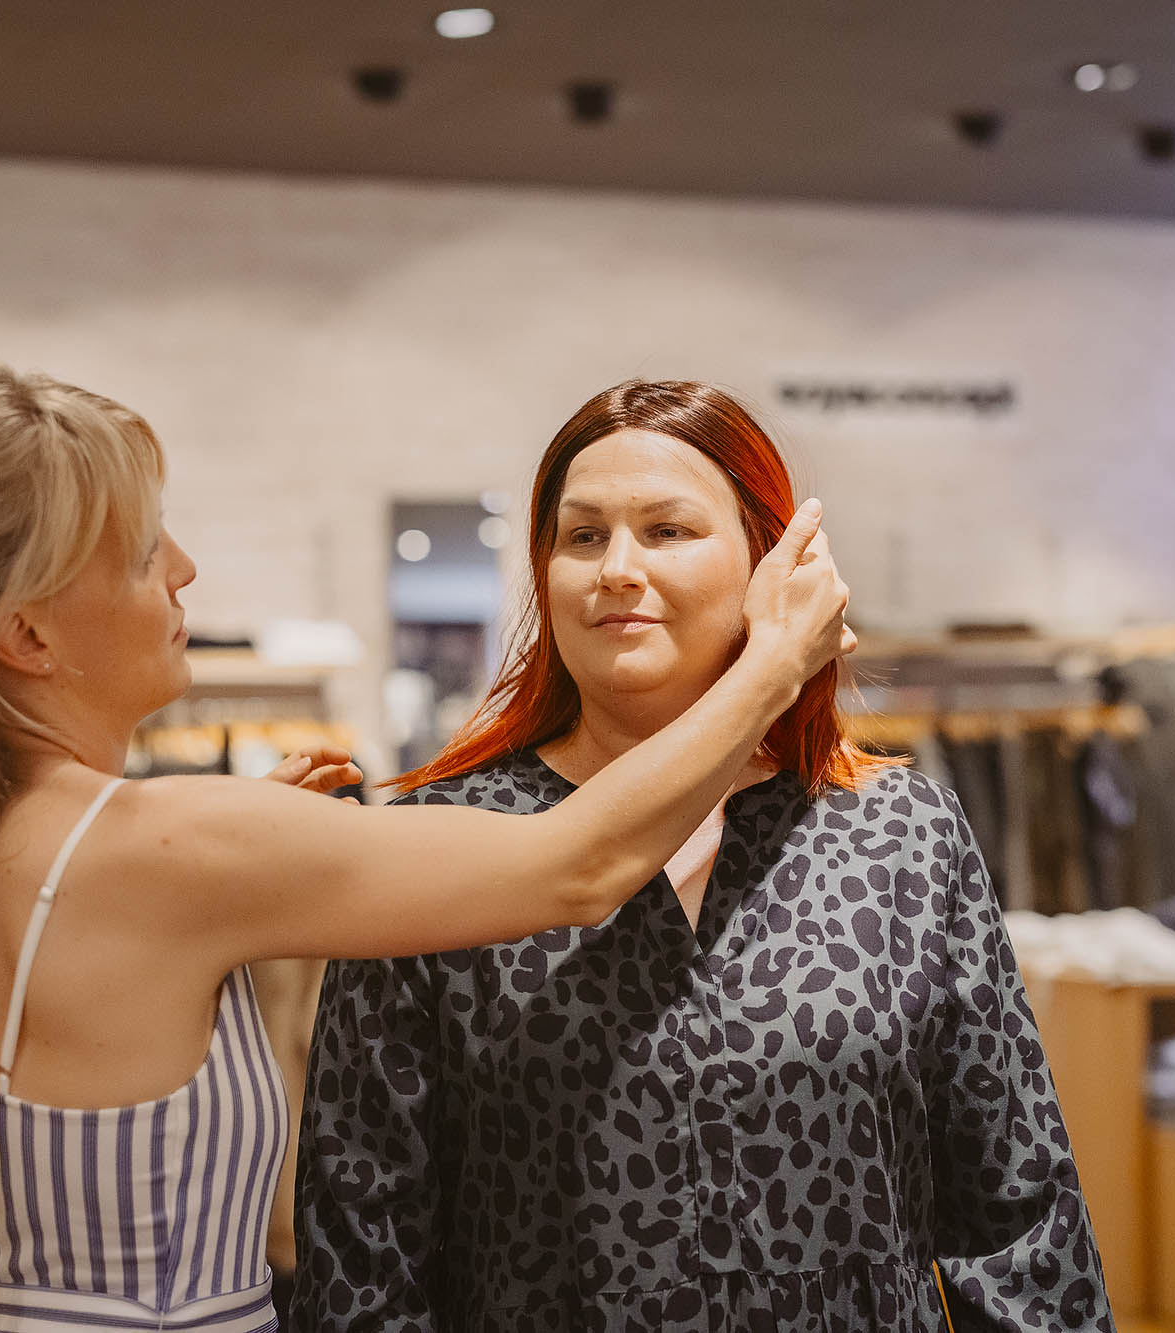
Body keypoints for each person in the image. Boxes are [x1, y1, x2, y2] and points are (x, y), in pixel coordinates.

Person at [0, 358, 851, 1333]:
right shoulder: (170, 847)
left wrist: (237, 843)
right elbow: (579, 865)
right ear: (24, 633)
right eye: (140, 551)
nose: (184, 572)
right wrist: (772, 662)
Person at [293, 380, 1112, 1332]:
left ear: (768, 564)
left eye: (668, 530)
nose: (616, 569)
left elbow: (1016, 1205)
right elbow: (363, 1232)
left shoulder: (899, 835)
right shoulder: (439, 844)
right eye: (583, 536)